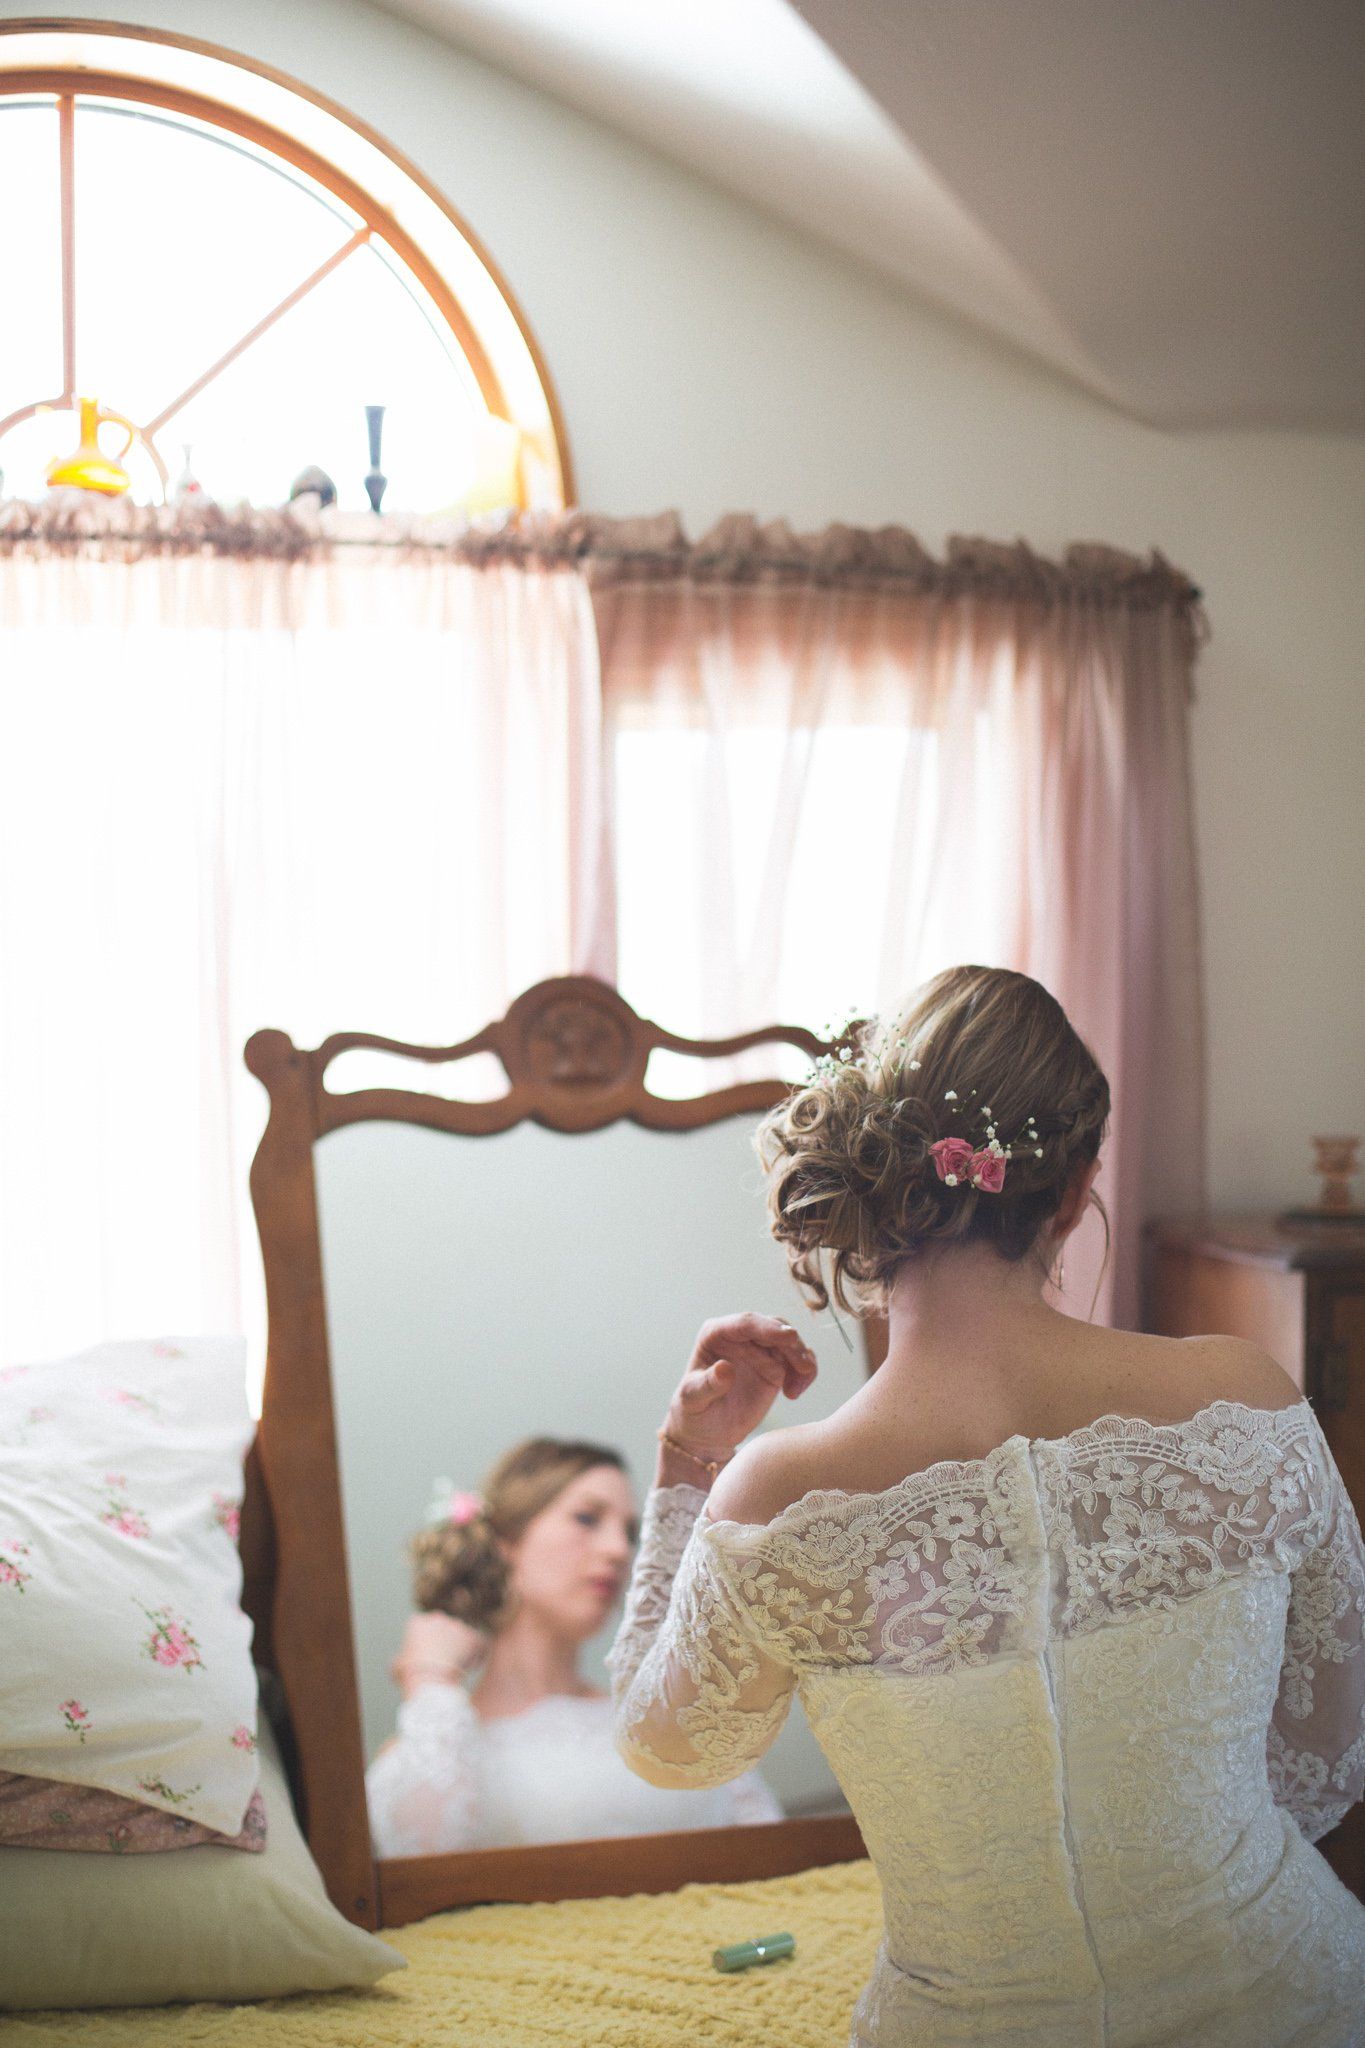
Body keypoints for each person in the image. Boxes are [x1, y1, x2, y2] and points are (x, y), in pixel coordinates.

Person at [609, 964, 1365, 2046]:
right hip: (1301, 2000)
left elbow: (667, 1748)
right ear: (1073, 1187)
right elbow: (1330, 1745)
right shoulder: (1245, 1399)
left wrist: (688, 1465)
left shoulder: (779, 1496)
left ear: (873, 1193)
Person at [364, 1436, 781, 1855]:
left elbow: (769, 1845)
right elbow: (423, 1864)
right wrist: (429, 1678)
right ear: (504, 1543)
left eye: (629, 1532)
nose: (619, 1550)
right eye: (586, 1518)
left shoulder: (668, 1719)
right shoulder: (425, 1750)